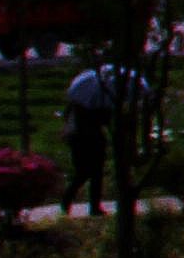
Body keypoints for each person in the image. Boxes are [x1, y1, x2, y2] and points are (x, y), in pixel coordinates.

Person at [64, 60, 151, 211]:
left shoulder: (82, 100)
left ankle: (87, 204)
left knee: (90, 172)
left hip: (85, 139)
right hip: (88, 138)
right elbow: (107, 121)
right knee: (89, 172)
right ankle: (77, 201)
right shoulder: (102, 102)